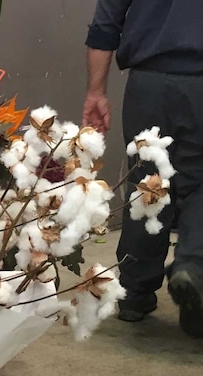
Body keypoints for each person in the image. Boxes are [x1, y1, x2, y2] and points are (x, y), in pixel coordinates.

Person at [83, 0, 203, 338]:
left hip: (148, 85)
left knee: (148, 181)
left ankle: (135, 293)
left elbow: (106, 24)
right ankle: (194, 267)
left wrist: (95, 92)